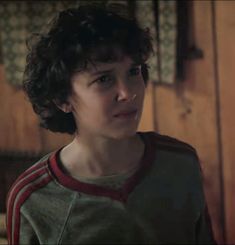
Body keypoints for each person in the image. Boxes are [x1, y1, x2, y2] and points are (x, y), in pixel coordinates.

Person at [6, 3, 216, 245]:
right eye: (104, 78)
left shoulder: (181, 163)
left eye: (133, 71)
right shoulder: (33, 200)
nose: (128, 93)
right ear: (63, 99)